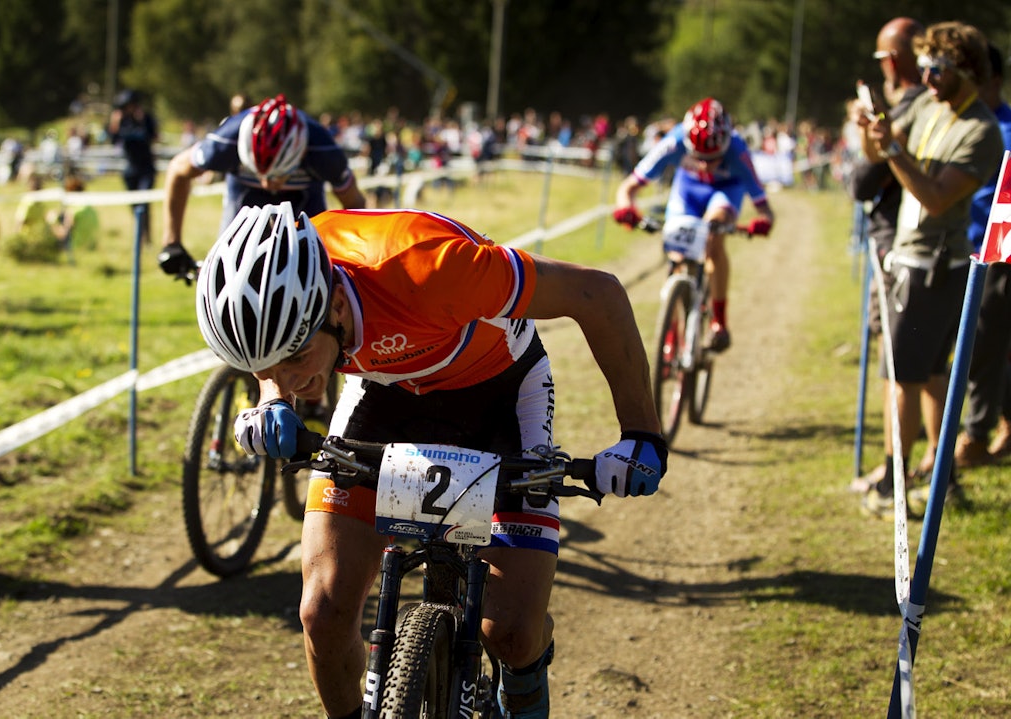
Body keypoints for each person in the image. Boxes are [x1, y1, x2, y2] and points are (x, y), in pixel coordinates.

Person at [195, 201, 668, 719]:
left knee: (510, 632)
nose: (286, 380)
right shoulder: (292, 285)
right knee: (323, 612)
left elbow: (596, 293)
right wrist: (271, 402)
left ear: (331, 303)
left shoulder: (433, 270)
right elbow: (272, 355)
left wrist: (640, 433)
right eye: (264, 366)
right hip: (384, 396)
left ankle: (523, 679)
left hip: (500, 396)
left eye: (295, 360)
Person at [856, 21, 1003, 518]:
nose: (926, 77)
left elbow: (937, 198)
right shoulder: (923, 103)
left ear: (966, 69)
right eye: (923, 67)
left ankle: (893, 481)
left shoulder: (981, 131)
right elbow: (880, 150)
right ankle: (941, 475)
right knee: (929, 376)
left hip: (934, 267)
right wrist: (870, 131)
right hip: (911, 261)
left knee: (903, 378)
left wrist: (892, 149)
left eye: (936, 68)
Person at [613, 97, 774, 352]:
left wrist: (763, 223)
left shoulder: (737, 150)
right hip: (687, 191)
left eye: (712, 159)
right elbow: (629, 187)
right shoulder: (674, 141)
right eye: (697, 157)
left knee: (713, 234)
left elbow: (764, 207)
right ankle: (671, 329)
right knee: (676, 252)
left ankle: (719, 321)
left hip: (725, 192)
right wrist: (625, 208)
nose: (704, 165)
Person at [846, 17, 929, 493]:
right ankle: (924, 465)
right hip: (906, 245)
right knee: (924, 366)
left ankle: (893, 472)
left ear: (893, 60)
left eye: (882, 60)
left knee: (897, 365)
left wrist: (873, 131)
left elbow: (862, 182)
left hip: (897, 246)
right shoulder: (923, 107)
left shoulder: (909, 110)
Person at [157, 94, 366, 277]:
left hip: (304, 203)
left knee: (313, 265)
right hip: (243, 202)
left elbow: (355, 204)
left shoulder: (323, 150)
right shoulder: (226, 141)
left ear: (301, 153)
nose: (267, 183)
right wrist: (171, 243)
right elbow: (178, 170)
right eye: (258, 172)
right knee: (229, 266)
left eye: (279, 174)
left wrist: (355, 257)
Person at [954, 42, 1011, 468]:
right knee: (970, 346)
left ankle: (975, 435)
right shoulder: (964, 122)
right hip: (959, 251)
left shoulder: (1006, 128)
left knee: (984, 345)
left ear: (993, 80)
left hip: (998, 257)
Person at [107, 88, 158, 245]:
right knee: (134, 204)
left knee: (144, 204)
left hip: (146, 168)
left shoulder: (146, 118)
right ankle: (139, 234)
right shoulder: (121, 120)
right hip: (130, 169)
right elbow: (113, 140)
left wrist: (142, 121)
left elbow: (152, 137)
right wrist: (114, 123)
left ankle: (146, 237)